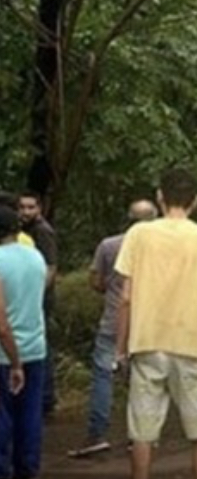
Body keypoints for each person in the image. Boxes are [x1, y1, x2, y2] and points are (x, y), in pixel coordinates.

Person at [114, 168, 197, 479]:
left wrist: (120, 350)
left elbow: (125, 298)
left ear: (159, 197)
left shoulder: (138, 234)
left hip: (147, 343)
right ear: (196, 201)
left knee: (143, 432)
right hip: (191, 345)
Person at [67, 199, 159, 459]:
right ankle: (139, 438)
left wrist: (113, 290)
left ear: (128, 218)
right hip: (148, 323)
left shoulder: (109, 245)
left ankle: (97, 435)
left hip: (113, 320)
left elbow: (96, 281)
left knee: (103, 377)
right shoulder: (162, 248)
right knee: (143, 380)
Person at [0, 205, 47, 479]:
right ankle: (28, 468)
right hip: (35, 348)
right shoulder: (35, 257)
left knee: (3, 416)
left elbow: (2, 325)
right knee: (30, 414)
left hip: (6, 355)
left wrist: (14, 361)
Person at [16, 192, 57, 416]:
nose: (26, 212)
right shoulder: (24, 231)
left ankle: (46, 398)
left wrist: (35, 295)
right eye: (22, 207)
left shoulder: (42, 231)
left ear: (39, 208)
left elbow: (51, 268)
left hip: (41, 298)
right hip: (31, 297)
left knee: (43, 344)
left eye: (31, 207)